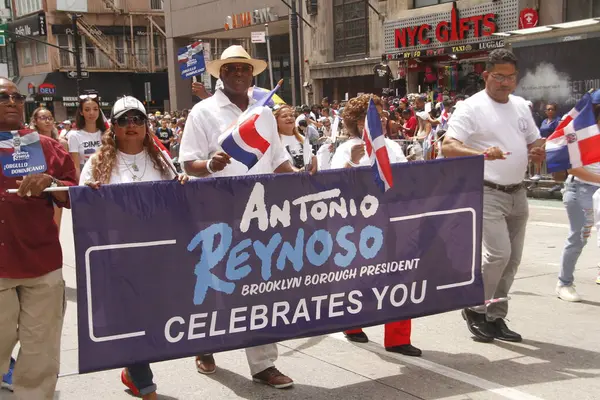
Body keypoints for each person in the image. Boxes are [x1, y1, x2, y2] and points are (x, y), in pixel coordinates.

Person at [179, 45, 316, 389]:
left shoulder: (265, 114)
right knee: (215, 286)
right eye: (230, 69)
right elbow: (188, 163)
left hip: (261, 214)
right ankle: (205, 344)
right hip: (216, 212)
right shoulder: (203, 112)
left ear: (252, 75)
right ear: (220, 74)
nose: (238, 74)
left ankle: (263, 365)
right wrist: (210, 165)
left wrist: (304, 179)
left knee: (260, 288)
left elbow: (279, 163)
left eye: (244, 68)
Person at [80, 96, 186, 400]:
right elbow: (83, 206)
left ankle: (131, 371)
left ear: (146, 126)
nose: (131, 126)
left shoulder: (161, 158)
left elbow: (175, 201)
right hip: (117, 254)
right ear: (113, 126)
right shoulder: (98, 162)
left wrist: (182, 182)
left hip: (155, 253)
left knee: (152, 317)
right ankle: (144, 382)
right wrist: (90, 195)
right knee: (132, 318)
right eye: (124, 120)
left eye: (138, 119)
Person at [443, 49, 545, 343]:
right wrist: (481, 153)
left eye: (510, 77)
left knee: (512, 260)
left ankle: (495, 315)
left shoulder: (520, 106)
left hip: (518, 192)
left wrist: (538, 149)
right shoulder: (470, 107)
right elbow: (448, 147)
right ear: (486, 75)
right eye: (499, 76)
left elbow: (532, 141)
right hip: (486, 190)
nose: (505, 82)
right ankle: (474, 308)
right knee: (498, 254)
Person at [325, 94, 421, 357]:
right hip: (359, 224)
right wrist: (353, 162)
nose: (379, 119)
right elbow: (333, 187)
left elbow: (404, 179)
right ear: (357, 122)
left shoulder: (391, 146)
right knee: (361, 277)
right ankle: (352, 322)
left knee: (400, 273)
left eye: (381, 115)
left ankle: (398, 338)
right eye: (372, 116)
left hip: (393, 218)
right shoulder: (347, 148)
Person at [0, 77, 78, 399]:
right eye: (3, 97)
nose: (12, 102)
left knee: (41, 353)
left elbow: (76, 196)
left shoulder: (45, 146)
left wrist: (53, 182)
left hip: (42, 266)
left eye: (17, 97)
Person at [556, 90, 600, 300]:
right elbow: (572, 169)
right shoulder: (580, 134)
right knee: (579, 237)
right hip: (581, 190)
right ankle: (564, 283)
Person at [30, 107, 65, 231]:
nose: (48, 121)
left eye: (50, 118)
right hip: (37, 191)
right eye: (43, 118)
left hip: (56, 188)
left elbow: (67, 168)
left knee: (55, 229)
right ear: (34, 121)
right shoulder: (28, 142)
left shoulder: (61, 142)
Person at [68, 92, 105, 178]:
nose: (92, 113)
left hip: (105, 178)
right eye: (87, 110)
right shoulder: (74, 135)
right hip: (86, 179)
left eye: (95, 109)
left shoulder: (106, 134)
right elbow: (76, 167)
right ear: (81, 112)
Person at [274, 105, 306, 169]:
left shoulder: (302, 138)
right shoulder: (274, 141)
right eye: (284, 116)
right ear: (276, 121)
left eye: (291, 115)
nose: (289, 118)